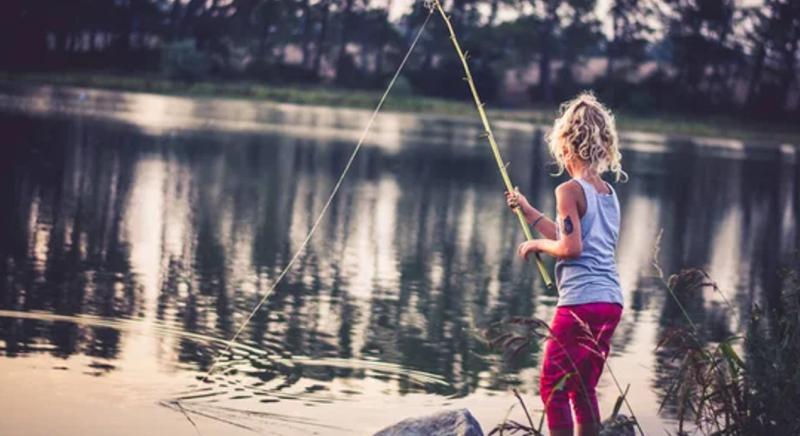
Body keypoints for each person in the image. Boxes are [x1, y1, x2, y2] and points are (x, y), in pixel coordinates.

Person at [505, 92, 626, 436]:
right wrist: (528, 212)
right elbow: (573, 237)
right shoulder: (607, 192)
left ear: (564, 142)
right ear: (604, 143)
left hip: (581, 304)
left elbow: (570, 248)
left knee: (552, 386)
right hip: (609, 301)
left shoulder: (568, 190)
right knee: (582, 388)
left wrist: (535, 244)